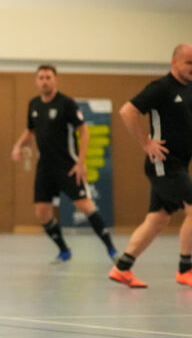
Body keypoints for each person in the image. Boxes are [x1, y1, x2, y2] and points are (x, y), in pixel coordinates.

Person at [111, 44, 192, 289]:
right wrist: (146, 143)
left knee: (157, 219)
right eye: (189, 63)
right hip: (164, 163)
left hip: (180, 165)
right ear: (174, 62)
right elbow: (128, 111)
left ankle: (122, 268)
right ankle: (185, 269)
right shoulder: (161, 88)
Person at [11, 65, 117, 263]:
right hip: (45, 168)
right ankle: (64, 250)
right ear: (36, 81)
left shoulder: (66, 103)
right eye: (41, 77)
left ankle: (111, 250)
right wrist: (18, 146)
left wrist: (81, 162)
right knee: (42, 213)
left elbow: (84, 131)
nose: (44, 81)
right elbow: (30, 131)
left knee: (86, 206)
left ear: (55, 80)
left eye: (48, 77)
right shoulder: (34, 104)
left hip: (68, 166)